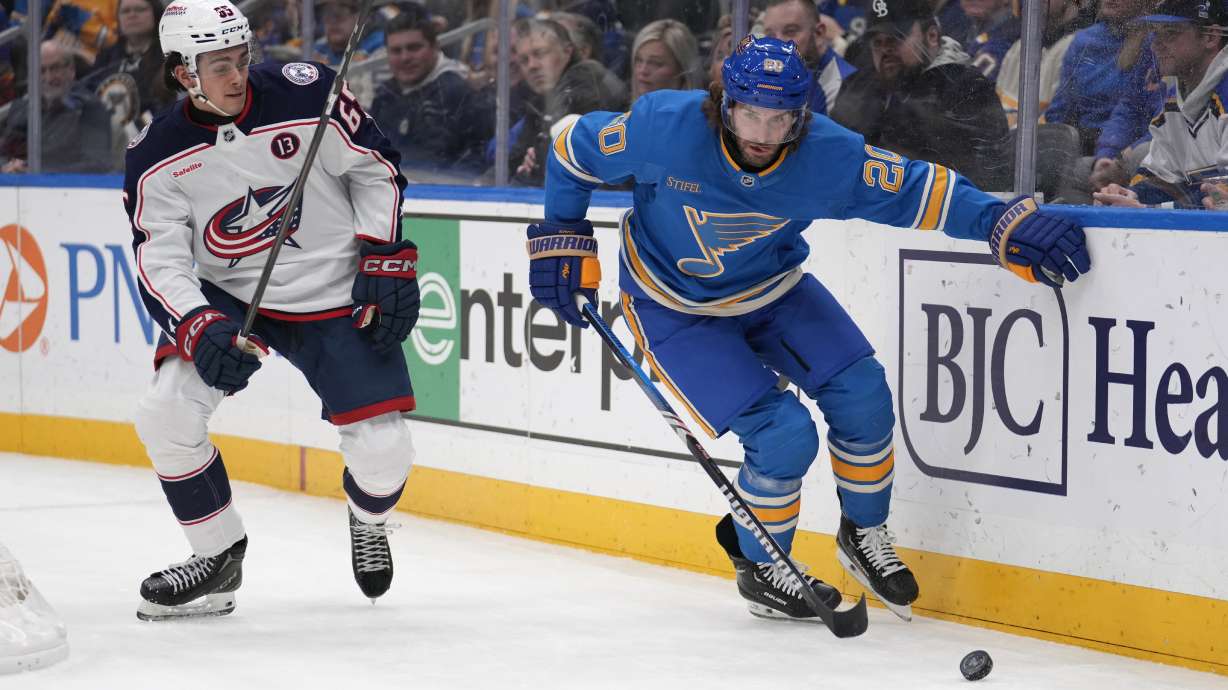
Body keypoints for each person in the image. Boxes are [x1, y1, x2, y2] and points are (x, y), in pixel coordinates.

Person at [527, 35, 1090, 623]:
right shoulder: (662, 127)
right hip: (673, 308)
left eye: (780, 119)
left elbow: (920, 190)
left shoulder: (828, 155)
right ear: (724, 101)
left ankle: (863, 534)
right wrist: (561, 238)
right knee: (782, 436)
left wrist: (997, 220)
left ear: (802, 115)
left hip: (774, 292)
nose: (762, 135)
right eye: (750, 113)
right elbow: (571, 150)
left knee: (864, 395)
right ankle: (763, 568)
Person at [123, 0, 419, 620]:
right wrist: (198, 323)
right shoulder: (157, 153)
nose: (236, 76)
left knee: (384, 448)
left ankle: (368, 519)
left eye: (241, 59)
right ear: (183, 73)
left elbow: (376, 169)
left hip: (335, 286)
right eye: (218, 66)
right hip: (235, 298)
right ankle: (217, 558)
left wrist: (384, 256)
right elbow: (161, 260)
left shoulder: (304, 91)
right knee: (165, 411)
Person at [829, 0, 1011, 191]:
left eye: (895, 38)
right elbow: (837, 159)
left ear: (932, 36)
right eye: (877, 42)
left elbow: (973, 181)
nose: (885, 49)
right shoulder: (867, 87)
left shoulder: (965, 88)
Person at [1094, 0, 1228, 209]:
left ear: (1210, 37)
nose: (1155, 45)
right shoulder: (1176, 91)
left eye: (1170, 33)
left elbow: (1220, 200)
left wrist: (1148, 210)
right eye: (1155, 33)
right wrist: (1129, 194)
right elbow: (1162, 176)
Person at [370, 8, 492, 179]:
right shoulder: (384, 96)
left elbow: (471, 162)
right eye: (396, 51)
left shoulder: (456, 93)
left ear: (435, 47)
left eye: (414, 48)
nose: (405, 57)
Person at [508, 17, 624, 185]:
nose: (532, 65)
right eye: (524, 60)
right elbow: (513, 161)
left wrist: (535, 165)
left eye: (540, 54)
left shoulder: (588, 82)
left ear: (567, 51)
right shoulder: (540, 100)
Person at [0, 40, 112, 173]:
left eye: (55, 68)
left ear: (71, 70)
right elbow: (5, 154)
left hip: (68, 191)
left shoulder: (89, 109)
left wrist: (35, 171)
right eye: (41, 71)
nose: (48, 77)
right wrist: (7, 166)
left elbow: (96, 165)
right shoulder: (21, 109)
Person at [761, 0, 857, 115]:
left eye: (790, 31)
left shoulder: (843, 84)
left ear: (818, 33)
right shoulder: (779, 72)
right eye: (770, 35)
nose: (778, 44)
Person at [629, 18, 698, 102]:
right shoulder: (620, 111)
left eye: (656, 63)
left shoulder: (703, 113)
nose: (643, 70)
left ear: (682, 70)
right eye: (639, 60)